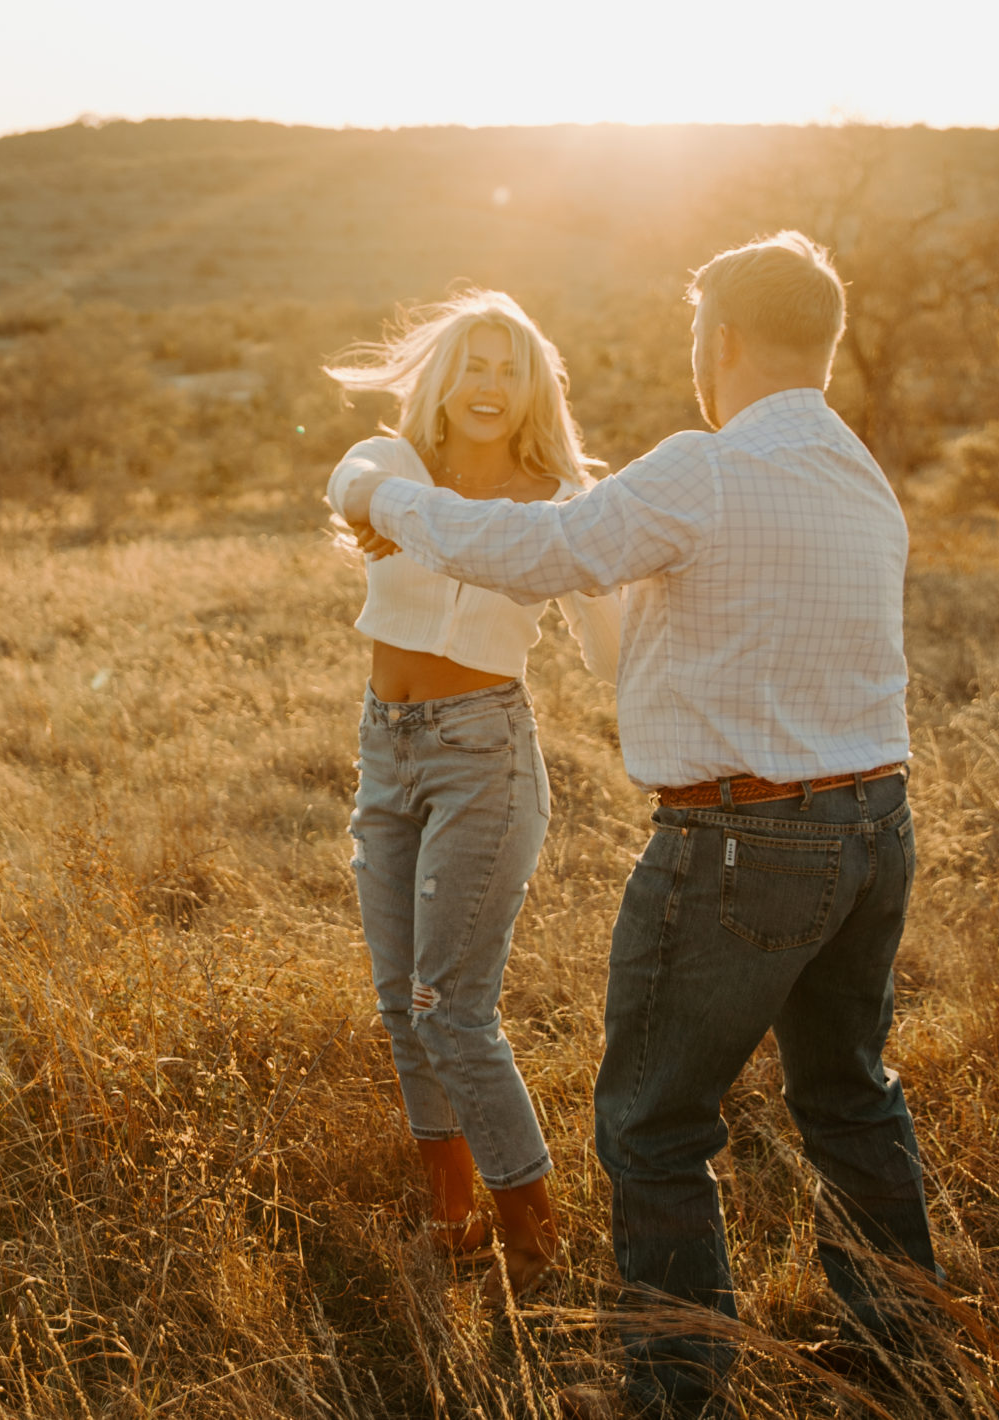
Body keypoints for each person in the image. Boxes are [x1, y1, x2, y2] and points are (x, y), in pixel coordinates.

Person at [336, 233, 935, 1416]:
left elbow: (540, 552)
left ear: (715, 341)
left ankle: (674, 1384)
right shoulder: (858, 470)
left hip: (738, 845)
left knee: (654, 1124)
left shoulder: (703, 465)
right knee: (850, 1093)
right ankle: (905, 1352)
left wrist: (377, 494)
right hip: (875, 826)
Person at [323, 289, 622, 1294]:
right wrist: (378, 504)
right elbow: (348, 473)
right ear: (442, 380)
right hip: (386, 745)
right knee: (401, 1008)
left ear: (534, 385)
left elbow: (609, 646)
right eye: (473, 365)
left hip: (482, 752)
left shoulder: (559, 493)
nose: (490, 386)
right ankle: (451, 1224)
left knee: (452, 1007)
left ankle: (534, 1240)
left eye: (509, 367)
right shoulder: (397, 467)